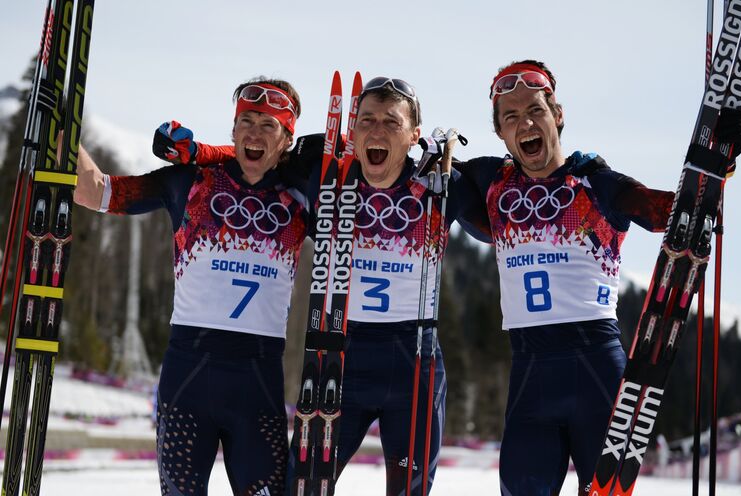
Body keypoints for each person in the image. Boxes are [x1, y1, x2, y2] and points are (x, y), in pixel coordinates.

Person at [152, 76, 490, 496]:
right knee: (302, 489)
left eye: (391, 121)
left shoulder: (443, 185)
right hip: (338, 356)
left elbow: (507, 222)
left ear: (414, 135)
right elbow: (258, 153)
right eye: (366, 120)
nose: (377, 131)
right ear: (352, 130)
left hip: (415, 360)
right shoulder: (322, 173)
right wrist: (199, 152)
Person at [455, 59, 741, 496]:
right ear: (500, 132)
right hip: (529, 375)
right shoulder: (490, 181)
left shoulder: (597, 185)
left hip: (595, 370)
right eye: (511, 116)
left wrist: (719, 163)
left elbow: (676, 212)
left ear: (557, 115)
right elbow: (412, 171)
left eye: (535, 110)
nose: (525, 124)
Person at [75, 77, 309, 496]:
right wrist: (62, 128)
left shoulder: (301, 194)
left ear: (286, 138)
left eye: (269, 125)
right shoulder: (190, 181)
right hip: (188, 381)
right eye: (246, 121)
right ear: (233, 130)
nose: (254, 133)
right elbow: (96, 192)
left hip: (258, 385)